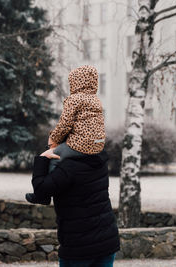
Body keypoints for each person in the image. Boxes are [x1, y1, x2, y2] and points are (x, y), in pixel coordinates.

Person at [26, 65, 106, 205]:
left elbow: (65, 124)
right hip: (97, 145)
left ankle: (43, 195)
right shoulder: (96, 100)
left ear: (76, 82)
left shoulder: (74, 99)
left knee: (53, 157)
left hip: (81, 144)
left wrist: (53, 139)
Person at [31, 147, 120, 267]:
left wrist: (42, 159)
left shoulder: (68, 168)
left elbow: (41, 189)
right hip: (107, 240)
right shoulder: (99, 159)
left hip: (79, 246)